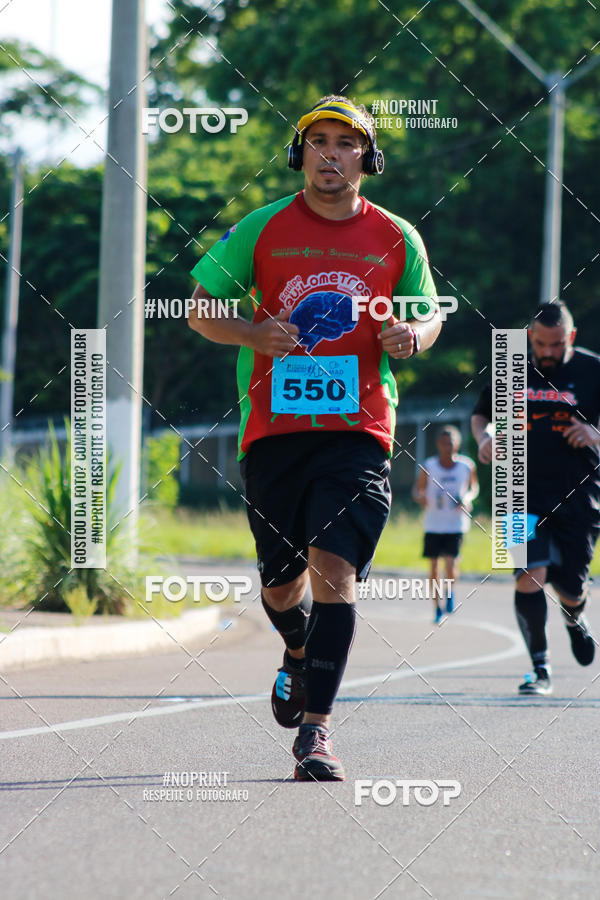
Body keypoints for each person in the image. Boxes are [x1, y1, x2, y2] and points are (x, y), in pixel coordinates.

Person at [188, 95, 442, 780]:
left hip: (359, 430)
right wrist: (250, 331)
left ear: (367, 157)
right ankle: (296, 650)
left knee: (333, 571)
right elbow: (201, 307)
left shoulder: (396, 236)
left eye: (347, 142)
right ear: (300, 154)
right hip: (275, 431)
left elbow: (428, 314)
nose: (332, 153)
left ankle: (317, 733)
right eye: (319, 141)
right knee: (280, 585)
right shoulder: (264, 228)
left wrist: (412, 335)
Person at [472, 301, 598, 696]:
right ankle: (539, 669)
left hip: (578, 494)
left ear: (570, 338)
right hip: (517, 489)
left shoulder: (593, 369)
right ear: (530, 337)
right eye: (541, 343)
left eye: (556, 344)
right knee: (529, 574)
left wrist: (596, 434)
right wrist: (485, 438)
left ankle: (575, 616)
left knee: (570, 587)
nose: (547, 351)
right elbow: (480, 415)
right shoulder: (509, 368)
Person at [412, 425, 478, 623]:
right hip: (433, 524)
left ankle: (450, 591)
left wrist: (467, 498)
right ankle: (437, 608)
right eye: (443, 443)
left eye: (450, 443)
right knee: (433, 567)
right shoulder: (429, 465)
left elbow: (474, 487)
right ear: (437, 445)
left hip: (455, 524)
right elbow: (417, 490)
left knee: (450, 563)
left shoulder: (467, 465)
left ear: (457, 444)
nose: (447, 447)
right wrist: (420, 498)